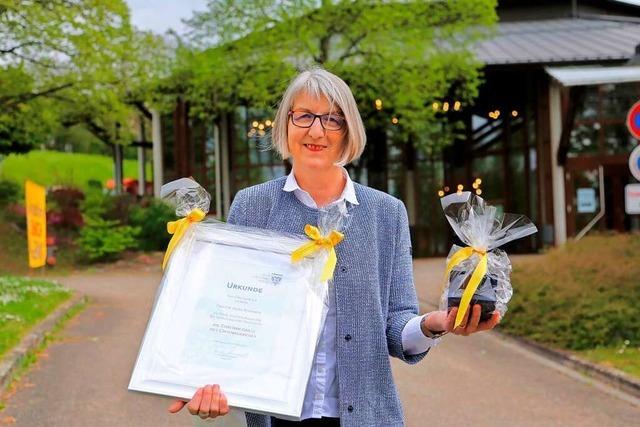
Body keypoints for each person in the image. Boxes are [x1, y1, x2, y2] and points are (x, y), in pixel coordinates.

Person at [168, 67, 500, 427]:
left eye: (332, 119)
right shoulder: (252, 206)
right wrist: (201, 377)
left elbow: (395, 323)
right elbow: (231, 312)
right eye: (304, 116)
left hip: (367, 418)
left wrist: (435, 324)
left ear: (348, 132)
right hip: (277, 418)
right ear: (286, 123)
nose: (316, 130)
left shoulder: (385, 213)